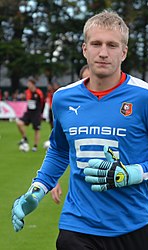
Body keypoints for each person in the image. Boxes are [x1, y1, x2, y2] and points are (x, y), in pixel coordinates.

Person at [12, 10, 148, 250]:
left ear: (124, 52)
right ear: (85, 49)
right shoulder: (63, 98)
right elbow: (59, 151)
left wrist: (132, 173)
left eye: (112, 45)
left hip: (134, 228)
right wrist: (37, 188)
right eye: (96, 44)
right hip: (77, 228)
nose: (103, 52)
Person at [50, 66, 90, 204]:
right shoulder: (68, 110)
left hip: (124, 208)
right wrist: (52, 179)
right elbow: (59, 151)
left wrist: (135, 173)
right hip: (78, 206)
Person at [16, 78, 44, 152]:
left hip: (36, 114)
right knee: (19, 123)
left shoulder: (39, 92)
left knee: (36, 130)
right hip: (28, 113)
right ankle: (25, 138)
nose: (28, 85)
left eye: (29, 83)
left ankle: (35, 146)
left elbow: (42, 103)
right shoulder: (27, 92)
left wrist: (41, 113)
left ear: (33, 84)